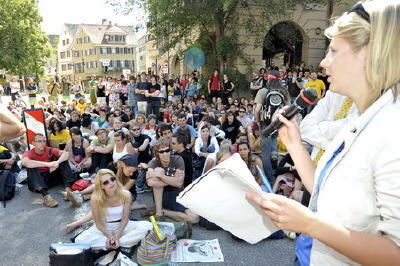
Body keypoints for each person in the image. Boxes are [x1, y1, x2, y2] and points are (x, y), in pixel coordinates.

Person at [247, 2, 400, 264]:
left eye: (334, 51)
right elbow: (324, 189)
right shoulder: (359, 119)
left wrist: (309, 223)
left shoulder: (392, 130)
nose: (323, 64)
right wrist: (295, 145)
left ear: (368, 54)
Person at [75, 169, 152, 250]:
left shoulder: (126, 194)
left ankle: (113, 243)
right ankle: (113, 243)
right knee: (79, 240)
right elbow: (97, 223)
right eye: (106, 182)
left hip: (122, 225)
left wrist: (117, 235)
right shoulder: (95, 198)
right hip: (104, 226)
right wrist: (109, 235)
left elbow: (125, 218)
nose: (111, 183)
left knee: (147, 226)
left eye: (112, 179)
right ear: (101, 186)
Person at [146, 139, 199, 223]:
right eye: (161, 152)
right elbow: (150, 183)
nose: (165, 154)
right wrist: (173, 179)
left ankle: (163, 211)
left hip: (177, 194)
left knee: (194, 218)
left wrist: (160, 176)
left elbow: (179, 184)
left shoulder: (178, 159)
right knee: (159, 170)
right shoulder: (153, 162)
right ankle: (159, 212)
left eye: (167, 150)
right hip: (161, 194)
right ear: (157, 153)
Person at [22, 133, 78, 208]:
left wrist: (56, 163)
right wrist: (49, 165)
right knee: (31, 168)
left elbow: (66, 154)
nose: (42, 143)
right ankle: (46, 197)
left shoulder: (48, 149)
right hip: (38, 182)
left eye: (44, 141)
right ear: (33, 143)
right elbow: (26, 163)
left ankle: (68, 190)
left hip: (50, 176)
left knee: (63, 160)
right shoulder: (29, 153)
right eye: (39, 141)